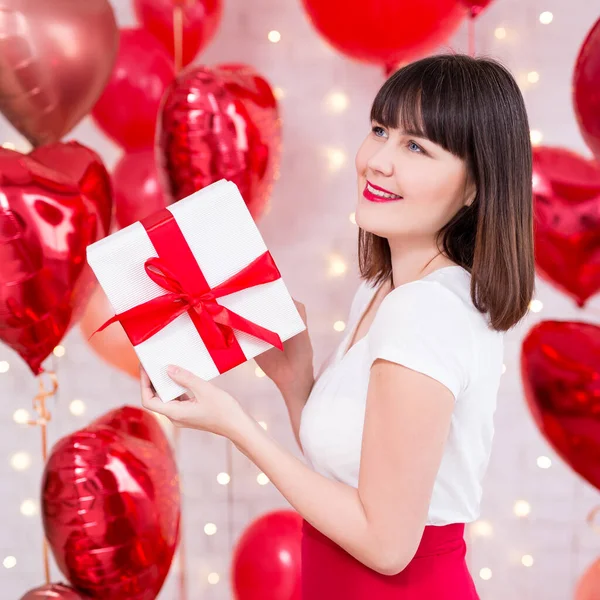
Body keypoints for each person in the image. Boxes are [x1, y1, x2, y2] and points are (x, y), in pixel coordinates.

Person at [140, 53, 535, 599]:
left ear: (474, 188)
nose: (378, 160)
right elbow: (351, 479)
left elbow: (386, 546)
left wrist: (237, 427)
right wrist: (295, 380)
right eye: (380, 131)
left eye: (417, 146)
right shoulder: (381, 290)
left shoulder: (425, 311)